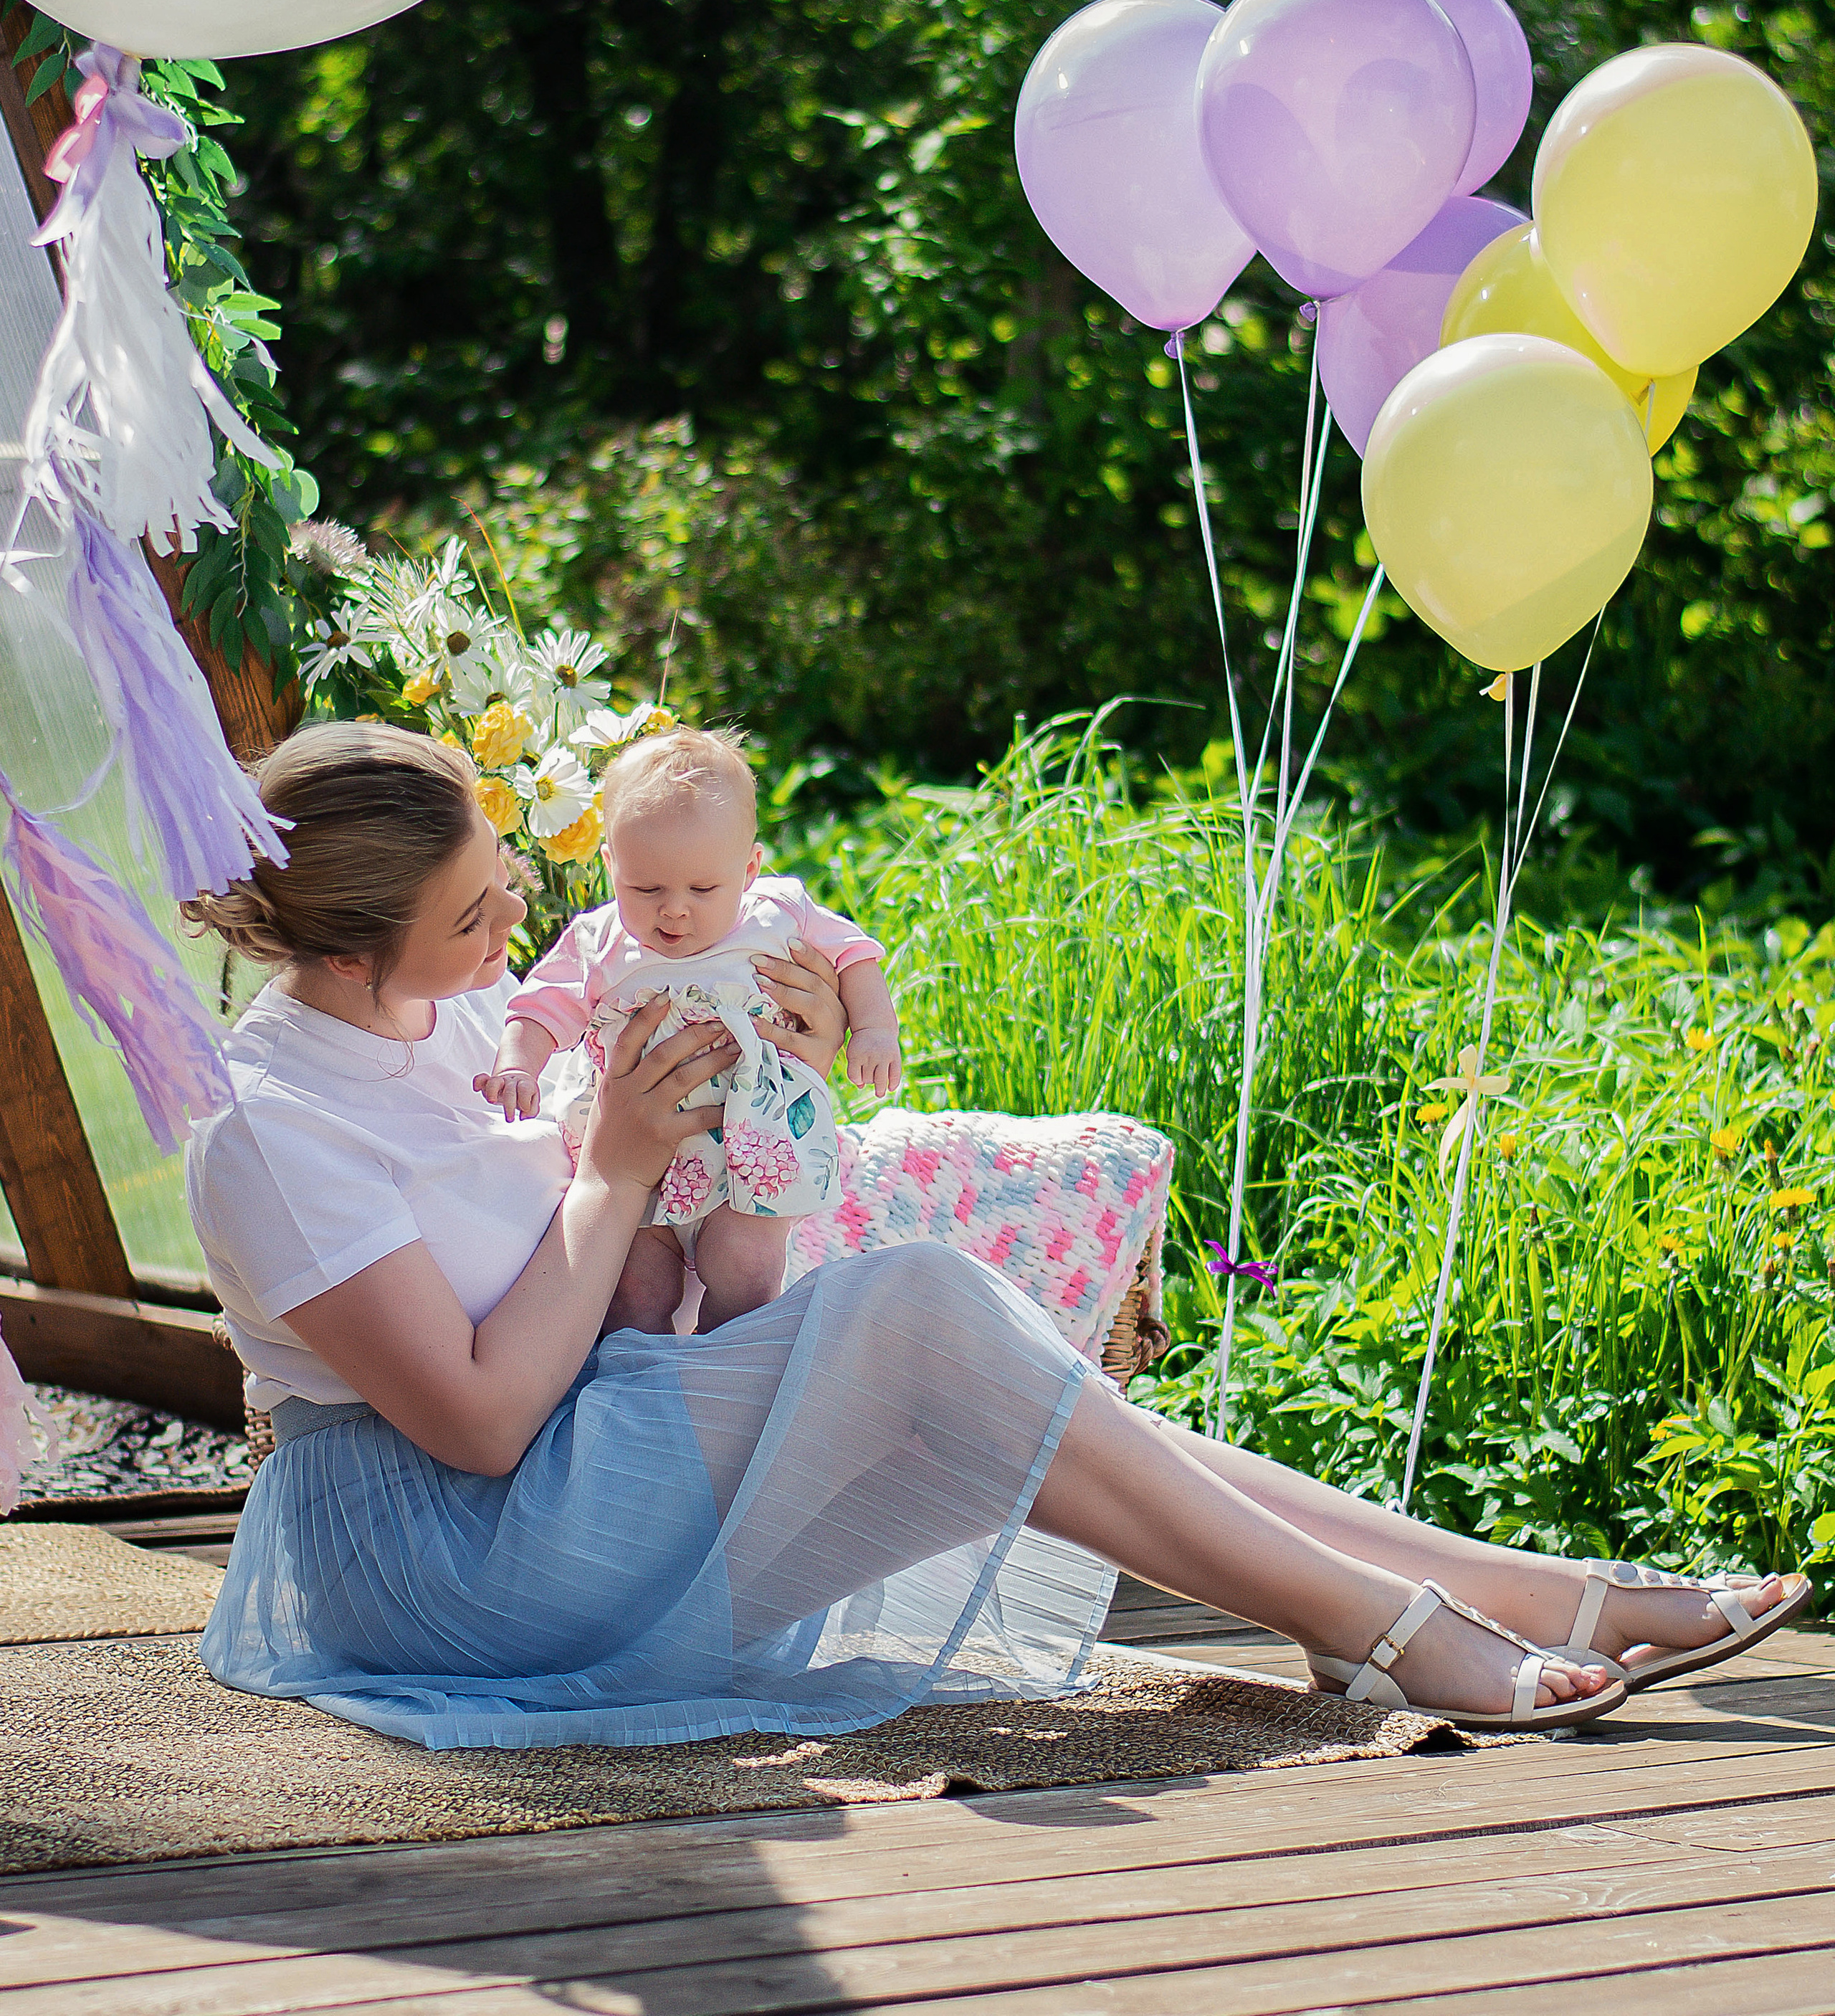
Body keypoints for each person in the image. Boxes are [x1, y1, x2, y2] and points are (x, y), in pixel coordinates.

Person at [183, 723, 1807, 1754]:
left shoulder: (444, 1016)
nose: (512, 934)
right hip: (457, 1558)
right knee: (921, 1317)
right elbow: (471, 1418)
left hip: (597, 1442)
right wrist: (610, 1169)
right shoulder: (272, 1129)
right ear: (336, 944)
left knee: (997, 1369)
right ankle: (1407, 1629)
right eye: (472, 916)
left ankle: (1501, 1600)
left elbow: (629, 1191)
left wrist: (779, 1065)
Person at [480, 725, 900, 1335]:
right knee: (634, 1291)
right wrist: (518, 1063)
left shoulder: (781, 911)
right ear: (610, 863)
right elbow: (541, 1004)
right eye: (644, 888)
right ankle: (646, 1396)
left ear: (751, 867)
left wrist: (874, 1030)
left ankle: (730, 1373)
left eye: (704, 889)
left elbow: (855, 956)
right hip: (639, 1157)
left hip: (752, 1147)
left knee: (748, 1268)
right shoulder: (601, 942)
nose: (674, 909)